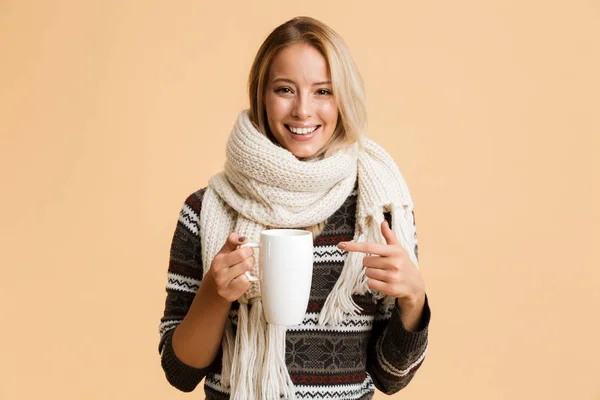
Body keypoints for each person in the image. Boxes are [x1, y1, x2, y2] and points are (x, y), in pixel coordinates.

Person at [158, 16, 431, 400]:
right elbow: (180, 371)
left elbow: (391, 378)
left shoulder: (377, 208)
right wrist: (215, 293)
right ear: (261, 96)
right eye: (285, 89)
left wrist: (414, 299)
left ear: (343, 99)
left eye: (323, 91)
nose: (303, 110)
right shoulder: (206, 209)